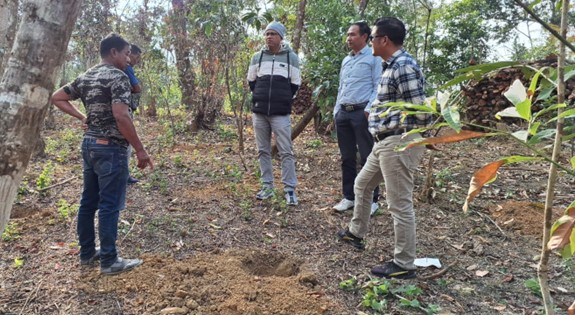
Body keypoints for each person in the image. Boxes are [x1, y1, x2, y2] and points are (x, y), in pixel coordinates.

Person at [337, 17, 432, 279]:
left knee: (399, 203)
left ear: (384, 40)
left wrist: (418, 139)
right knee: (362, 184)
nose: (371, 41)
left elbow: (421, 109)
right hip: (383, 141)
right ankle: (356, 234)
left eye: (374, 37)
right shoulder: (390, 65)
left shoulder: (404, 66)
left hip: (399, 141)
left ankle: (404, 264)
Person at [51, 33, 154, 275]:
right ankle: (109, 259)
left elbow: (58, 97)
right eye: (127, 53)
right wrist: (140, 149)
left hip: (89, 145)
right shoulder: (117, 77)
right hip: (110, 148)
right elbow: (121, 115)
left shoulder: (87, 75)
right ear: (114, 52)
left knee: (88, 202)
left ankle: (87, 252)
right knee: (109, 205)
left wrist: (82, 116)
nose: (129, 59)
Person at [247, 21, 301, 206]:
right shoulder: (257, 57)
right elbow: (252, 82)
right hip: (260, 112)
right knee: (263, 150)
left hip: (280, 113)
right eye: (267, 33)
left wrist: (283, 99)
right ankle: (267, 186)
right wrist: (260, 98)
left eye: (272, 33)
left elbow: (295, 84)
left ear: (281, 37)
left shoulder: (291, 58)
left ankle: (290, 189)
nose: (269, 36)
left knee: (286, 151)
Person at [333, 21, 382, 215]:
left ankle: (372, 200)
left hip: (361, 113)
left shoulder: (374, 58)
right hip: (344, 113)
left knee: (368, 156)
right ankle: (349, 197)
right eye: (348, 34)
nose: (349, 38)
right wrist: (337, 110)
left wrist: (369, 109)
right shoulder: (347, 60)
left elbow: (378, 84)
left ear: (364, 37)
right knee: (347, 157)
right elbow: (341, 87)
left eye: (353, 34)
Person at [124, 44, 142, 185]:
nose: (137, 59)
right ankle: (124, 175)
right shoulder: (127, 68)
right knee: (125, 141)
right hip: (124, 110)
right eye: (136, 56)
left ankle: (124, 173)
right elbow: (136, 87)